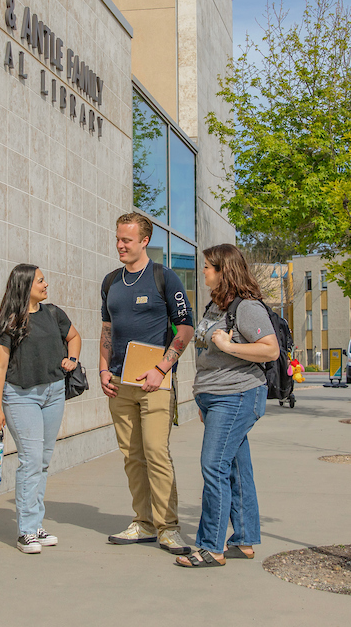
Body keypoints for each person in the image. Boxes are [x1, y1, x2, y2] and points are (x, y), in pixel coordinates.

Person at [175, 243, 279, 568]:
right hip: (216, 397)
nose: (203, 270)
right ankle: (245, 540)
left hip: (236, 395)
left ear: (223, 271)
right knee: (234, 468)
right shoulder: (215, 305)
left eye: (207, 266)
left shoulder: (247, 308)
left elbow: (270, 349)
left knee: (214, 466)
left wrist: (228, 345)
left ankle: (211, 547)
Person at [99, 213, 194, 553]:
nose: (120, 245)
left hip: (155, 384)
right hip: (119, 384)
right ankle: (143, 523)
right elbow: (107, 329)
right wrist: (102, 370)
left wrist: (162, 368)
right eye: (118, 238)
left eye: (126, 239)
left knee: (156, 453)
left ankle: (168, 526)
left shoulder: (164, 279)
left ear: (144, 241)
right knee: (132, 456)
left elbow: (185, 330)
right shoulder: (110, 282)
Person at [0, 264, 81, 554]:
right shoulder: (10, 322)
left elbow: (74, 337)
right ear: (26, 285)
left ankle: (36, 525)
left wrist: (72, 359)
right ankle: (26, 531)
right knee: (30, 460)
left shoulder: (53, 313)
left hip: (53, 393)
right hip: (20, 396)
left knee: (42, 460)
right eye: (41, 281)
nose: (46, 284)